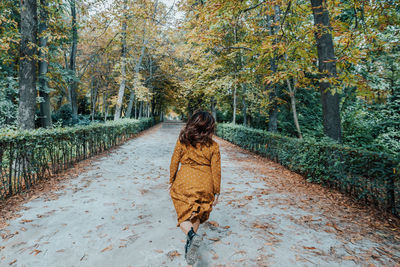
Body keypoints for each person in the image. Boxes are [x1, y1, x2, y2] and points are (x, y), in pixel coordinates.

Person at [169, 110, 221, 266]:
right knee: (196, 213)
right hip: (205, 183)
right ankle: (190, 247)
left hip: (184, 181)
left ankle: (192, 236)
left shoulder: (183, 141)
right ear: (209, 128)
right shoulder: (214, 146)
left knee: (183, 216)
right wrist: (217, 191)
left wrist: (171, 180)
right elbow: (216, 169)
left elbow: (174, 162)